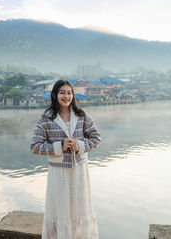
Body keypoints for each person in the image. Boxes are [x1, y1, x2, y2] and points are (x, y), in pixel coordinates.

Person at [30, 79, 102, 239]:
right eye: (62, 92)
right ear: (54, 95)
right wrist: (59, 146)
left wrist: (79, 146)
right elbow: (35, 146)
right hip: (58, 172)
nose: (66, 96)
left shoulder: (82, 115)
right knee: (60, 209)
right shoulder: (46, 118)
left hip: (79, 171)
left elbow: (96, 139)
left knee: (79, 208)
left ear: (73, 95)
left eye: (69, 93)